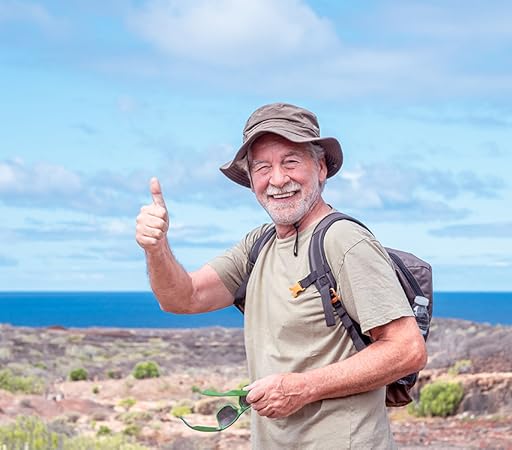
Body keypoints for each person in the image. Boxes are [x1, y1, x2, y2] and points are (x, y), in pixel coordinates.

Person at [136, 103, 427, 449]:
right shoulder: (259, 244)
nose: (277, 179)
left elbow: (407, 349)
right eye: (263, 167)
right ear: (251, 179)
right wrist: (156, 248)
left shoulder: (343, 240)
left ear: (320, 168)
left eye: (291, 162)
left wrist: (302, 388)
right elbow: (183, 297)